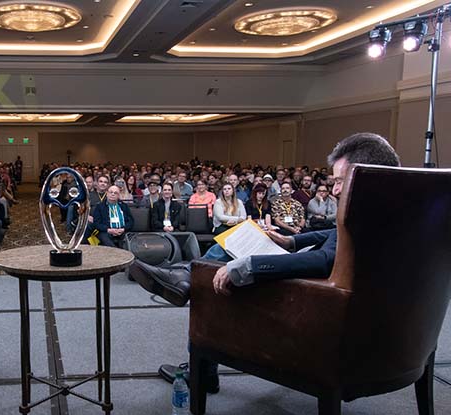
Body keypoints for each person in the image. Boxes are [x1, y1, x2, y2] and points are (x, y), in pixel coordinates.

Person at [127, 132, 400, 392]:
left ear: (366, 176)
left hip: (316, 300)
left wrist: (250, 266)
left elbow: (325, 259)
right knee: (241, 237)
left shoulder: (361, 217)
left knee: (214, 280)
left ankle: (199, 357)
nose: (335, 189)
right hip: (359, 308)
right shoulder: (393, 209)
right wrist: (292, 241)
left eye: (340, 181)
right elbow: (333, 235)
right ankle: (185, 275)